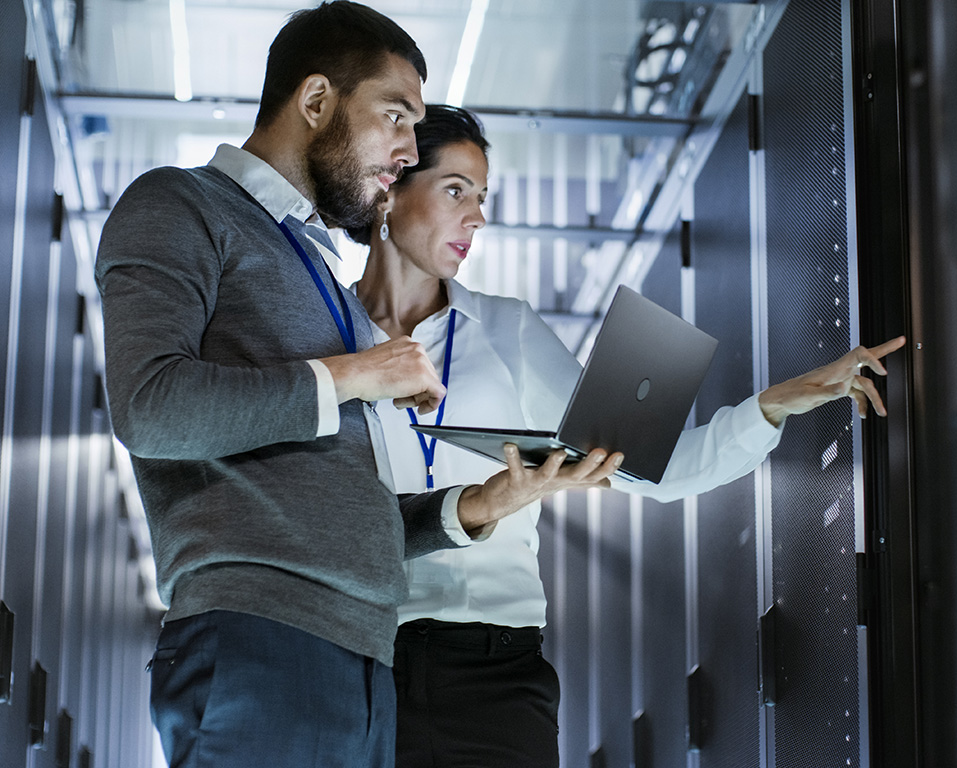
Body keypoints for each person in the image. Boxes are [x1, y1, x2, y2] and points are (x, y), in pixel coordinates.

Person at [94, 6, 619, 767]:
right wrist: (357, 373)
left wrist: (479, 506)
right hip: (260, 640)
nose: (406, 150)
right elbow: (151, 407)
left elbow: (346, 513)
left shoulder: (319, 275)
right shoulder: (181, 204)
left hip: (365, 661)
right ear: (316, 101)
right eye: (395, 116)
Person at [346, 105, 907, 767]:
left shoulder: (507, 330)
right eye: (455, 191)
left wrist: (775, 405)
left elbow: (653, 470)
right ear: (390, 189)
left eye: (482, 198)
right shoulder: (325, 340)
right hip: (359, 661)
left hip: (497, 673)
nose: (477, 218)